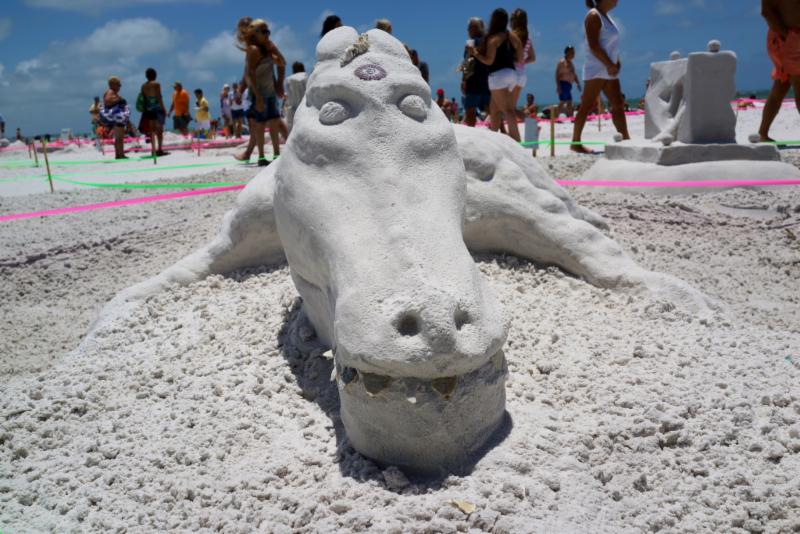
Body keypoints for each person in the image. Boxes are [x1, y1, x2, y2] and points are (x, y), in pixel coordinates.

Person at [571, 0, 629, 154]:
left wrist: (616, 62)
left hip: (609, 68)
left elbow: (611, 45)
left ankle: (626, 140)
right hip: (597, 68)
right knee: (586, 106)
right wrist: (610, 64)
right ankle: (575, 142)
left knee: (618, 104)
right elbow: (594, 45)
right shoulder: (593, 15)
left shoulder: (607, 17)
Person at [469, 8, 524, 141]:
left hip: (498, 76)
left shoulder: (494, 38)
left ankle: (516, 141)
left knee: (508, 110)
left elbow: (489, 61)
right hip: (512, 74)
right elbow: (521, 59)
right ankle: (494, 140)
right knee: (494, 110)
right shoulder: (512, 37)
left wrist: (475, 53)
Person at [239, 19, 285, 166]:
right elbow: (249, 74)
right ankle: (261, 156)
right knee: (260, 124)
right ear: (255, 34)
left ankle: (277, 154)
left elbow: (282, 63)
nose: (267, 35)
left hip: (270, 92)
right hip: (259, 94)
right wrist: (257, 96)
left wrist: (279, 83)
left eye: (268, 32)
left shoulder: (268, 48)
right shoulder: (253, 50)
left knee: (274, 122)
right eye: (264, 32)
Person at [758, 0, 800, 142]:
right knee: (797, 83)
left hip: (790, 37)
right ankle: (762, 133)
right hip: (788, 37)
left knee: (781, 85)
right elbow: (766, 11)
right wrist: (787, 34)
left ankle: (763, 133)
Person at [460, 17, 492, 127]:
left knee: (470, 112)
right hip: (486, 81)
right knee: (490, 110)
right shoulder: (487, 42)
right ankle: (502, 131)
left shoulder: (471, 43)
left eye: (469, 27)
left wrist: (464, 80)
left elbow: (467, 62)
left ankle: (471, 135)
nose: (467, 30)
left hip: (473, 82)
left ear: (475, 28)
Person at [510, 9, 536, 113]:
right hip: (521, 75)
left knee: (499, 107)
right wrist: (521, 62)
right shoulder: (528, 39)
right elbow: (532, 58)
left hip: (510, 73)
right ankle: (529, 120)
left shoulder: (512, 36)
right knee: (511, 108)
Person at [139, 68, 168, 156]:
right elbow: (159, 97)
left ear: (146, 76)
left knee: (151, 131)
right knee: (159, 130)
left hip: (148, 109)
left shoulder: (143, 86)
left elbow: (143, 98)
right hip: (157, 108)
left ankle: (153, 150)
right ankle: (159, 150)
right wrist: (164, 109)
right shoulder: (156, 84)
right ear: (155, 75)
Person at [99, 76, 130, 159]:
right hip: (117, 117)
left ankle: (119, 154)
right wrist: (119, 99)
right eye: (119, 84)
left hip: (116, 117)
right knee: (119, 137)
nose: (120, 86)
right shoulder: (110, 92)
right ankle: (120, 154)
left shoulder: (111, 92)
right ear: (113, 85)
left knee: (119, 137)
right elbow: (108, 101)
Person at [556, 46, 582, 118]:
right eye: (572, 52)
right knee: (563, 101)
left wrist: (578, 83)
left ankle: (570, 117)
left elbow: (574, 74)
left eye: (573, 52)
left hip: (569, 85)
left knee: (568, 102)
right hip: (563, 84)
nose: (573, 54)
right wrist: (558, 86)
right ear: (567, 52)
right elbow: (557, 75)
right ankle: (556, 117)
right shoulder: (562, 62)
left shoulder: (571, 63)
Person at [285, 62, 308, 133]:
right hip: (305, 109)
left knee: (292, 133)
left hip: (292, 110)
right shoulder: (306, 76)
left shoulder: (288, 79)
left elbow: (287, 95)